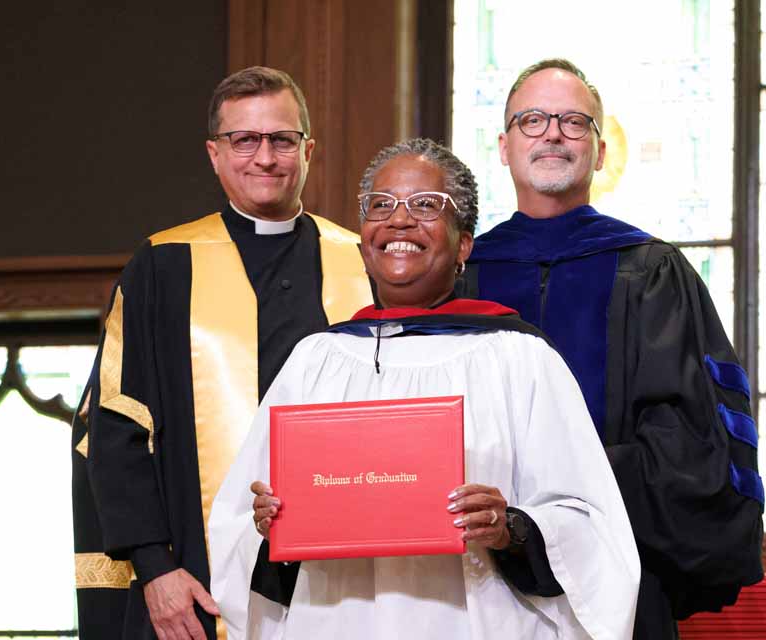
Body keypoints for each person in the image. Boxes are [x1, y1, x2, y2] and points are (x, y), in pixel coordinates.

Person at [208, 138, 640, 639]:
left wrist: (511, 528)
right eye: (381, 205)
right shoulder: (315, 362)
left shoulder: (518, 358)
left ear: (463, 243)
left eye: (426, 206)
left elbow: (588, 522)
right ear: (364, 236)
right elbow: (238, 524)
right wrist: (267, 525)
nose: (399, 220)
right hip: (334, 620)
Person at [456, 58, 762, 639]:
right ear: (503, 145)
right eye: (533, 120)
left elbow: (693, 441)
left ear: (599, 151)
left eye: (574, 122)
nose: (552, 133)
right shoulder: (461, 275)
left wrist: (559, 498)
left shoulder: (651, 270)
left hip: (617, 570)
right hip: (471, 575)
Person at [73, 65, 371, 640]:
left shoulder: (361, 263)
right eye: (245, 140)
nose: (265, 157)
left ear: (308, 150)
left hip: (344, 576)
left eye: (282, 139)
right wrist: (155, 569)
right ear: (215, 153)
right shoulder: (162, 267)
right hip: (196, 574)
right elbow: (115, 430)